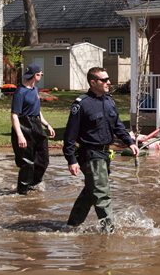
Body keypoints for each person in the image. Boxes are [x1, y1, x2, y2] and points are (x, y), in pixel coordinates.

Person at [64, 67, 139, 233]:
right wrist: (71, 159)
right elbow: (70, 134)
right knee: (101, 193)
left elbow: (118, 125)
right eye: (104, 80)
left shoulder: (109, 101)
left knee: (91, 191)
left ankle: (71, 226)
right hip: (90, 154)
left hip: (105, 153)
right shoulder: (81, 104)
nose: (108, 82)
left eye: (108, 79)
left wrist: (130, 142)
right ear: (93, 82)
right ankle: (109, 232)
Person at [11, 64, 56, 195]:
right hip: (24, 126)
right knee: (27, 162)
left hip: (36, 125)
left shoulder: (35, 89)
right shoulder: (20, 92)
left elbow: (36, 111)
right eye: (40, 73)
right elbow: (14, 115)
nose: (41, 75)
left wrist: (47, 125)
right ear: (35, 75)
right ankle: (22, 192)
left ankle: (33, 184)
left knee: (43, 159)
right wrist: (20, 135)